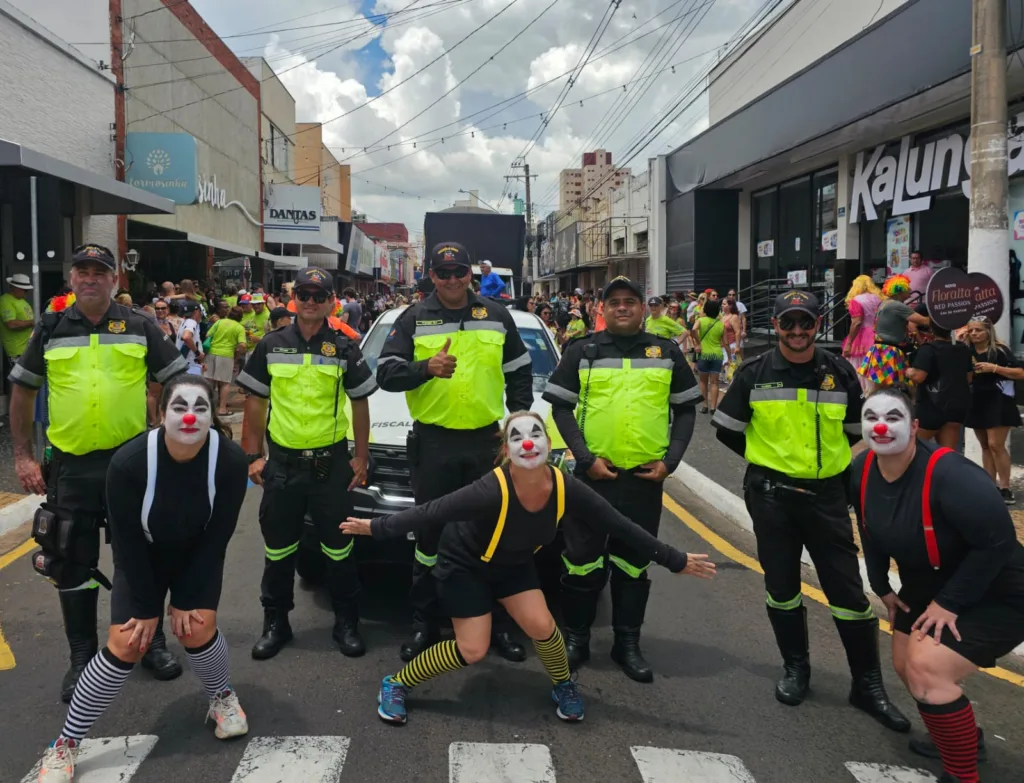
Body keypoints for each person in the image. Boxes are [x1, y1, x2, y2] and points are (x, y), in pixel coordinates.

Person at [342, 412, 716, 725]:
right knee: (473, 649)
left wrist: (675, 559)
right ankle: (396, 683)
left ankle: (563, 683)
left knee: (542, 626)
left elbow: (618, 524)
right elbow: (432, 512)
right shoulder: (491, 490)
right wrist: (374, 527)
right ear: (505, 450)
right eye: (517, 436)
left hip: (511, 565)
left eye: (536, 433)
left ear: (548, 444)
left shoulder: (564, 486)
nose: (528, 442)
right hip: (465, 567)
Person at [711, 290, 909, 731]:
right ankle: (796, 669)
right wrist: (767, 458)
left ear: (818, 325)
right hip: (771, 498)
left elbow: (856, 432)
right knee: (781, 588)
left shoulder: (839, 372)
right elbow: (726, 429)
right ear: (776, 325)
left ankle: (867, 685)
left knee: (850, 597)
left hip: (826, 499)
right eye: (788, 323)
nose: (797, 332)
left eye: (806, 323)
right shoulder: (754, 373)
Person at [35, 376, 250, 782]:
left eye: (201, 407)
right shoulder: (129, 463)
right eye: (179, 407)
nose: (190, 416)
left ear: (212, 414)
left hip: (197, 553)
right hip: (142, 554)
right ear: (160, 414)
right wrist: (148, 609)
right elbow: (127, 541)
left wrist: (186, 597)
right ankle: (65, 742)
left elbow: (218, 535)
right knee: (127, 641)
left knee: (198, 627)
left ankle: (222, 697)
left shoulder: (230, 460)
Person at [8, 243, 189, 703]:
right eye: (82, 271)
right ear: (71, 280)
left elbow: (178, 380)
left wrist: (175, 437)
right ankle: (82, 658)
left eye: (99, 272)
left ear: (114, 280)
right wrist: (25, 456)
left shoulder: (139, 326)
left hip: (131, 465)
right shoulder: (49, 328)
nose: (90, 278)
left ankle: (150, 645)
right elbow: (24, 393)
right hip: (71, 468)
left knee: (142, 556)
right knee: (72, 561)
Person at [854, 387, 1024, 783]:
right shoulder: (862, 470)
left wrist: (949, 603)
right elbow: (870, 526)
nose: (880, 426)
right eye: (871, 417)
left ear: (915, 427)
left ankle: (962, 775)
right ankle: (966, 738)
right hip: (929, 581)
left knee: (927, 668)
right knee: (905, 665)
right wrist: (881, 585)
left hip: (999, 588)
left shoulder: (952, 476)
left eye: (894, 417)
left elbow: (998, 541)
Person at [375, 241, 534, 663]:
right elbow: (386, 374)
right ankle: (425, 624)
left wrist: (517, 423)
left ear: (470, 275)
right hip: (434, 445)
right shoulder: (413, 318)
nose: (451, 279)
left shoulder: (497, 316)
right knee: (429, 537)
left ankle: (498, 627)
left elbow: (520, 372)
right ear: (431, 275)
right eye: (442, 273)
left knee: (493, 537)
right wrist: (425, 369)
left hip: (487, 444)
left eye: (458, 272)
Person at [543, 276, 702, 682]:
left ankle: (627, 643)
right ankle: (576, 639)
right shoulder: (582, 351)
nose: (623, 307)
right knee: (581, 563)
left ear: (644, 307)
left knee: (633, 564)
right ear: (603, 310)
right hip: (591, 478)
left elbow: (685, 411)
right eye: (614, 302)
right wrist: (584, 457)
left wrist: (672, 461)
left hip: (644, 481)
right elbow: (561, 408)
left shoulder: (665, 353)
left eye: (630, 301)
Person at [237, 267, 377, 659]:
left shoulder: (345, 347)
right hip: (282, 465)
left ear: (332, 302)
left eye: (320, 296)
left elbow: (360, 402)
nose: (311, 302)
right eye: (304, 294)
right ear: (293, 298)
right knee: (279, 550)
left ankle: (347, 623)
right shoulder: (271, 344)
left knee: (339, 548)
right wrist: (252, 457)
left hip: (330, 466)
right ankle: (275, 623)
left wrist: (361, 455)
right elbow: (255, 403)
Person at [963, 316, 1024, 504]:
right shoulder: (967, 351)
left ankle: (1005, 487)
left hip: (998, 399)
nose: (974, 333)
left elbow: (1020, 373)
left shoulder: (999, 350)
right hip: (976, 399)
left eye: (978, 330)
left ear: (988, 331)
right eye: (971, 330)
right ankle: (989, 485)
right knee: (985, 445)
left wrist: (994, 368)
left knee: (996, 444)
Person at [907, 321, 972, 449]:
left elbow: (919, 376)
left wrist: (908, 372)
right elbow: (968, 378)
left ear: (931, 329)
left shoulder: (928, 349)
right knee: (947, 454)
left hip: (930, 406)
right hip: (955, 406)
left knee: (914, 449)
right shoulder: (963, 348)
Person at [860, 275, 929, 390]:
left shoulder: (885, 303)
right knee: (890, 388)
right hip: (889, 350)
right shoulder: (896, 305)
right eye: (907, 288)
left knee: (879, 388)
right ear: (900, 291)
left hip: (880, 349)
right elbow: (924, 321)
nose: (910, 291)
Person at [842, 275, 883, 393]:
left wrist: (849, 343)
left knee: (858, 365)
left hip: (861, 336)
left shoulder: (856, 300)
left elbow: (857, 322)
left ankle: (861, 393)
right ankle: (874, 392)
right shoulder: (879, 298)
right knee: (875, 367)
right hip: (878, 333)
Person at [203, 305, 247, 415]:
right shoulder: (239, 328)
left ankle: (207, 408)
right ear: (241, 317)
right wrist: (236, 355)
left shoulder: (219, 322)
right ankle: (222, 408)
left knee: (209, 382)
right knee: (225, 383)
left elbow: (208, 334)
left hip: (211, 353)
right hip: (226, 355)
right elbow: (242, 345)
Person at [692, 299, 728, 415]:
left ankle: (704, 405)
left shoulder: (701, 321)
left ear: (706, 310)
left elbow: (693, 330)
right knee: (714, 382)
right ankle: (713, 407)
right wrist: (730, 358)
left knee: (703, 381)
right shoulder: (721, 324)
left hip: (704, 354)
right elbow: (725, 343)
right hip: (717, 354)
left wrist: (698, 343)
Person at [1, 272, 35, 371]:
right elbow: (11, 324)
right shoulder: (5, 301)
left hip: (26, 348)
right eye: (23, 289)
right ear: (13, 287)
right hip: (16, 351)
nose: (25, 292)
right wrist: (31, 322)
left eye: (26, 290)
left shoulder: (22, 301)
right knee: (21, 381)